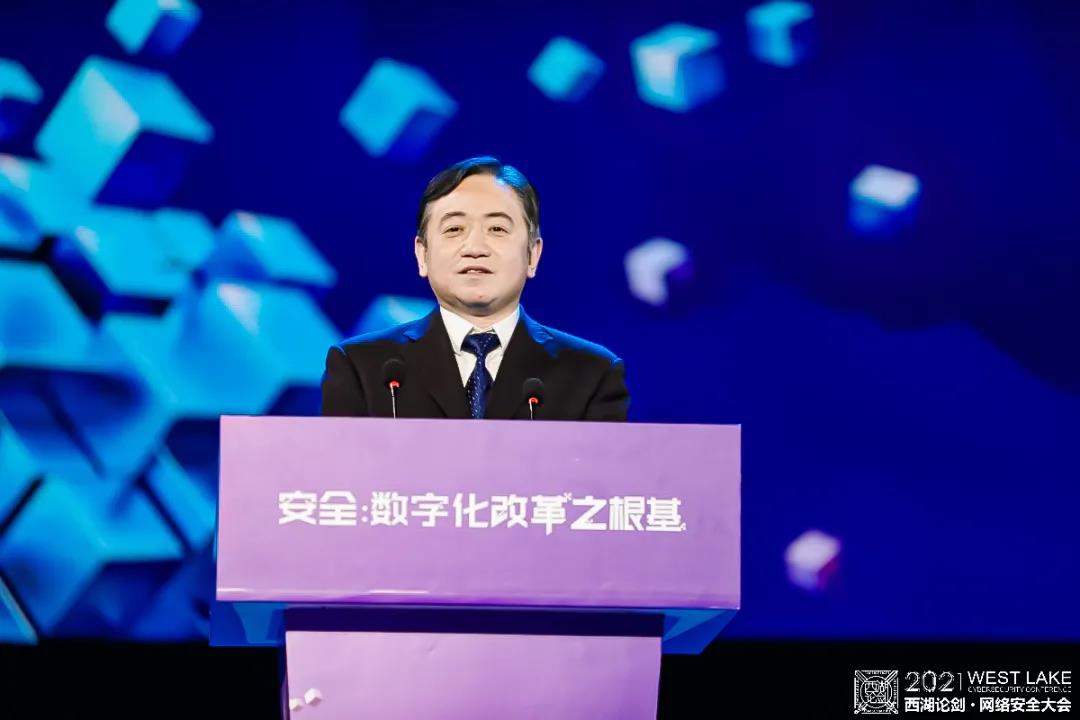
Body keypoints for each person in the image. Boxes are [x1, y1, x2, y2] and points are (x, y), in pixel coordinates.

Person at [320, 156, 628, 420]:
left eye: (497, 229)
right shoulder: (361, 368)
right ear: (422, 255)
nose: (475, 248)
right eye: (454, 229)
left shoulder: (592, 374)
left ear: (533, 255)